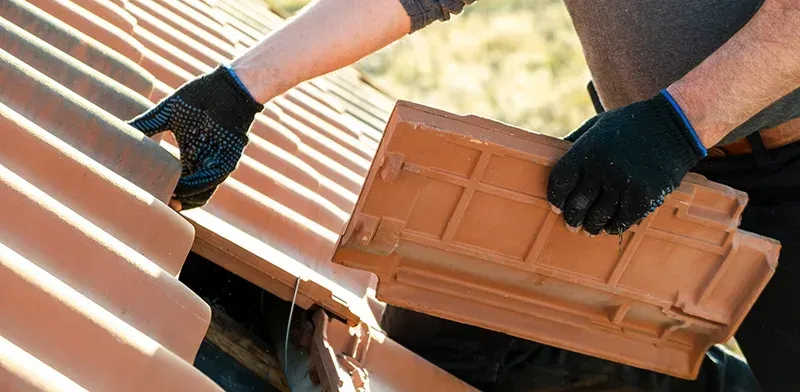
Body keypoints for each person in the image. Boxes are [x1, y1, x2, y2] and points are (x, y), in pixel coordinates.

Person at [128, 0, 800, 390]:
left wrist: (678, 124)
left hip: (756, 154)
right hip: (649, 151)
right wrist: (239, 88)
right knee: (457, 323)